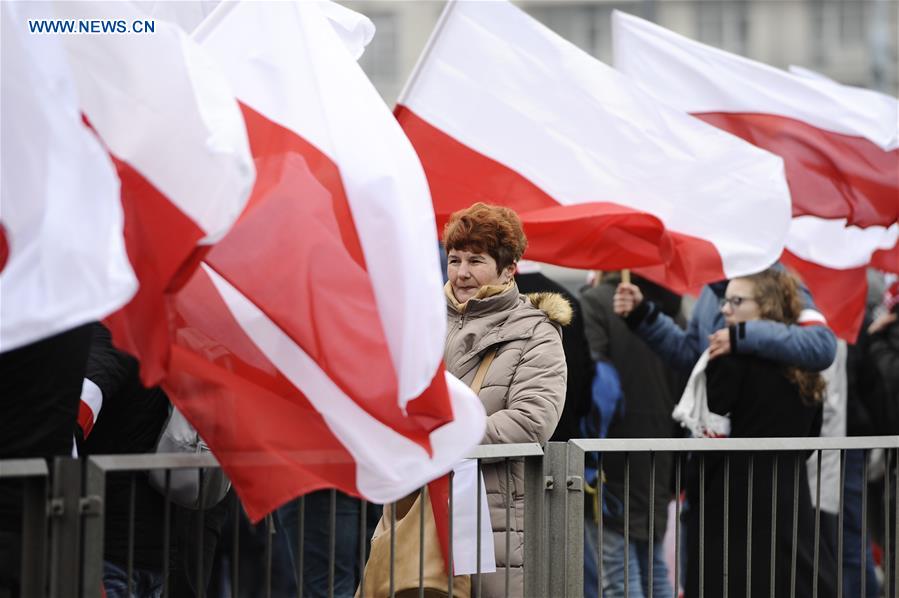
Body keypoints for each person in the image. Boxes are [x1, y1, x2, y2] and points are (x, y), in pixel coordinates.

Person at [683, 269, 837, 597]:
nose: (724, 309)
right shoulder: (804, 370)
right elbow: (811, 439)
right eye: (725, 301)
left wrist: (694, 491)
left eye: (736, 301)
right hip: (790, 500)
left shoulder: (727, 363)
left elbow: (711, 440)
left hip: (730, 509)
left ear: (765, 306)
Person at [442, 203, 568, 597]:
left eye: (476, 260)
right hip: (422, 505)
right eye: (454, 259)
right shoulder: (422, 320)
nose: (462, 272)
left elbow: (531, 421)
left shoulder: (536, 333)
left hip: (494, 519)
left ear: (509, 269)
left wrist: (443, 441)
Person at [579, 272, 683, 598]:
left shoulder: (596, 302)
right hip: (660, 449)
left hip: (611, 455)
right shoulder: (670, 307)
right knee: (653, 567)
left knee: (617, 577)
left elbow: (592, 381)